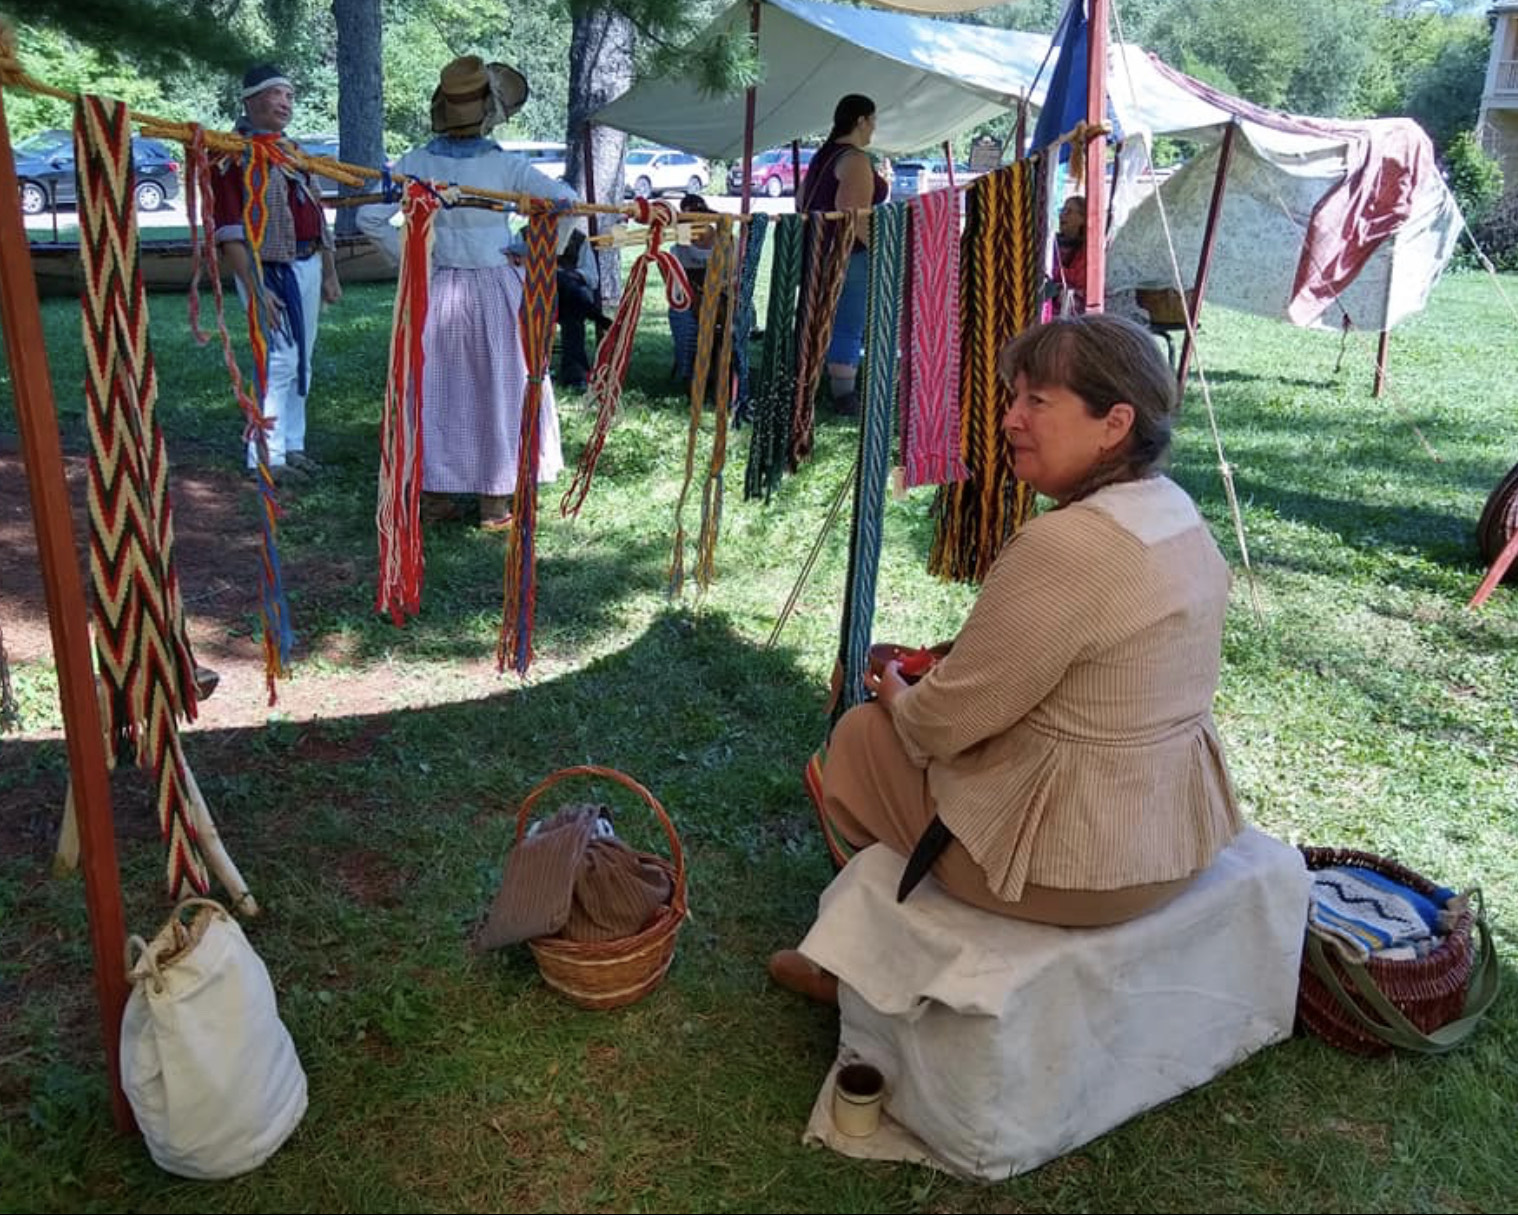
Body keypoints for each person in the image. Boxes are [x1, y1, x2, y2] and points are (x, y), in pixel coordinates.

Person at [770, 314, 1244, 1005]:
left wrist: (898, 691)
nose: (1011, 419)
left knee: (862, 737)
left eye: (1037, 402)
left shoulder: (1069, 543)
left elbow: (940, 724)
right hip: (1174, 842)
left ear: (1114, 423)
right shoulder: (1175, 510)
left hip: (1075, 869)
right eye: (1014, 397)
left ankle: (854, 965)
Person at [358, 56, 586, 530]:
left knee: (439, 389)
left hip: (437, 291)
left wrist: (415, 261)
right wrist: (527, 248)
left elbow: (368, 217)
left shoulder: (416, 163)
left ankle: (437, 494)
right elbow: (566, 204)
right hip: (496, 289)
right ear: (488, 113)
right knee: (498, 388)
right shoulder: (507, 165)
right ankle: (495, 501)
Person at [212, 63, 342, 481]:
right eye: (276, 94)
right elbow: (229, 230)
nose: (285, 102)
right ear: (251, 102)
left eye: (289, 95)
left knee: (303, 356)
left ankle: (292, 444)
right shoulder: (231, 154)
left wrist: (329, 271)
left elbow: (316, 216)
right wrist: (256, 287)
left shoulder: (291, 152)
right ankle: (266, 454)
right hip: (266, 269)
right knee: (279, 358)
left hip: (307, 262)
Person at [797, 93, 888, 417]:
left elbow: (800, 201)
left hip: (817, 250)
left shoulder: (823, 156)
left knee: (819, 317)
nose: (874, 127)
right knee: (847, 322)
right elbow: (853, 215)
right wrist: (883, 251)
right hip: (848, 254)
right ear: (861, 120)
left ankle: (808, 387)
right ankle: (844, 396)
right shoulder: (854, 160)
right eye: (873, 120)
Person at [668, 191, 717, 384]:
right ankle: (689, 373)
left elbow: (734, 278)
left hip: (722, 296)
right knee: (681, 315)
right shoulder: (680, 245)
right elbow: (675, 284)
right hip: (690, 297)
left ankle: (721, 370)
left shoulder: (726, 241)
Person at [1054, 192, 1088, 313]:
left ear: (1083, 218)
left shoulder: (1089, 248)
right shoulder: (1051, 243)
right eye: (1062, 210)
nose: (1062, 215)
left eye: (1068, 212)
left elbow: (1080, 278)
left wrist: (1051, 271)